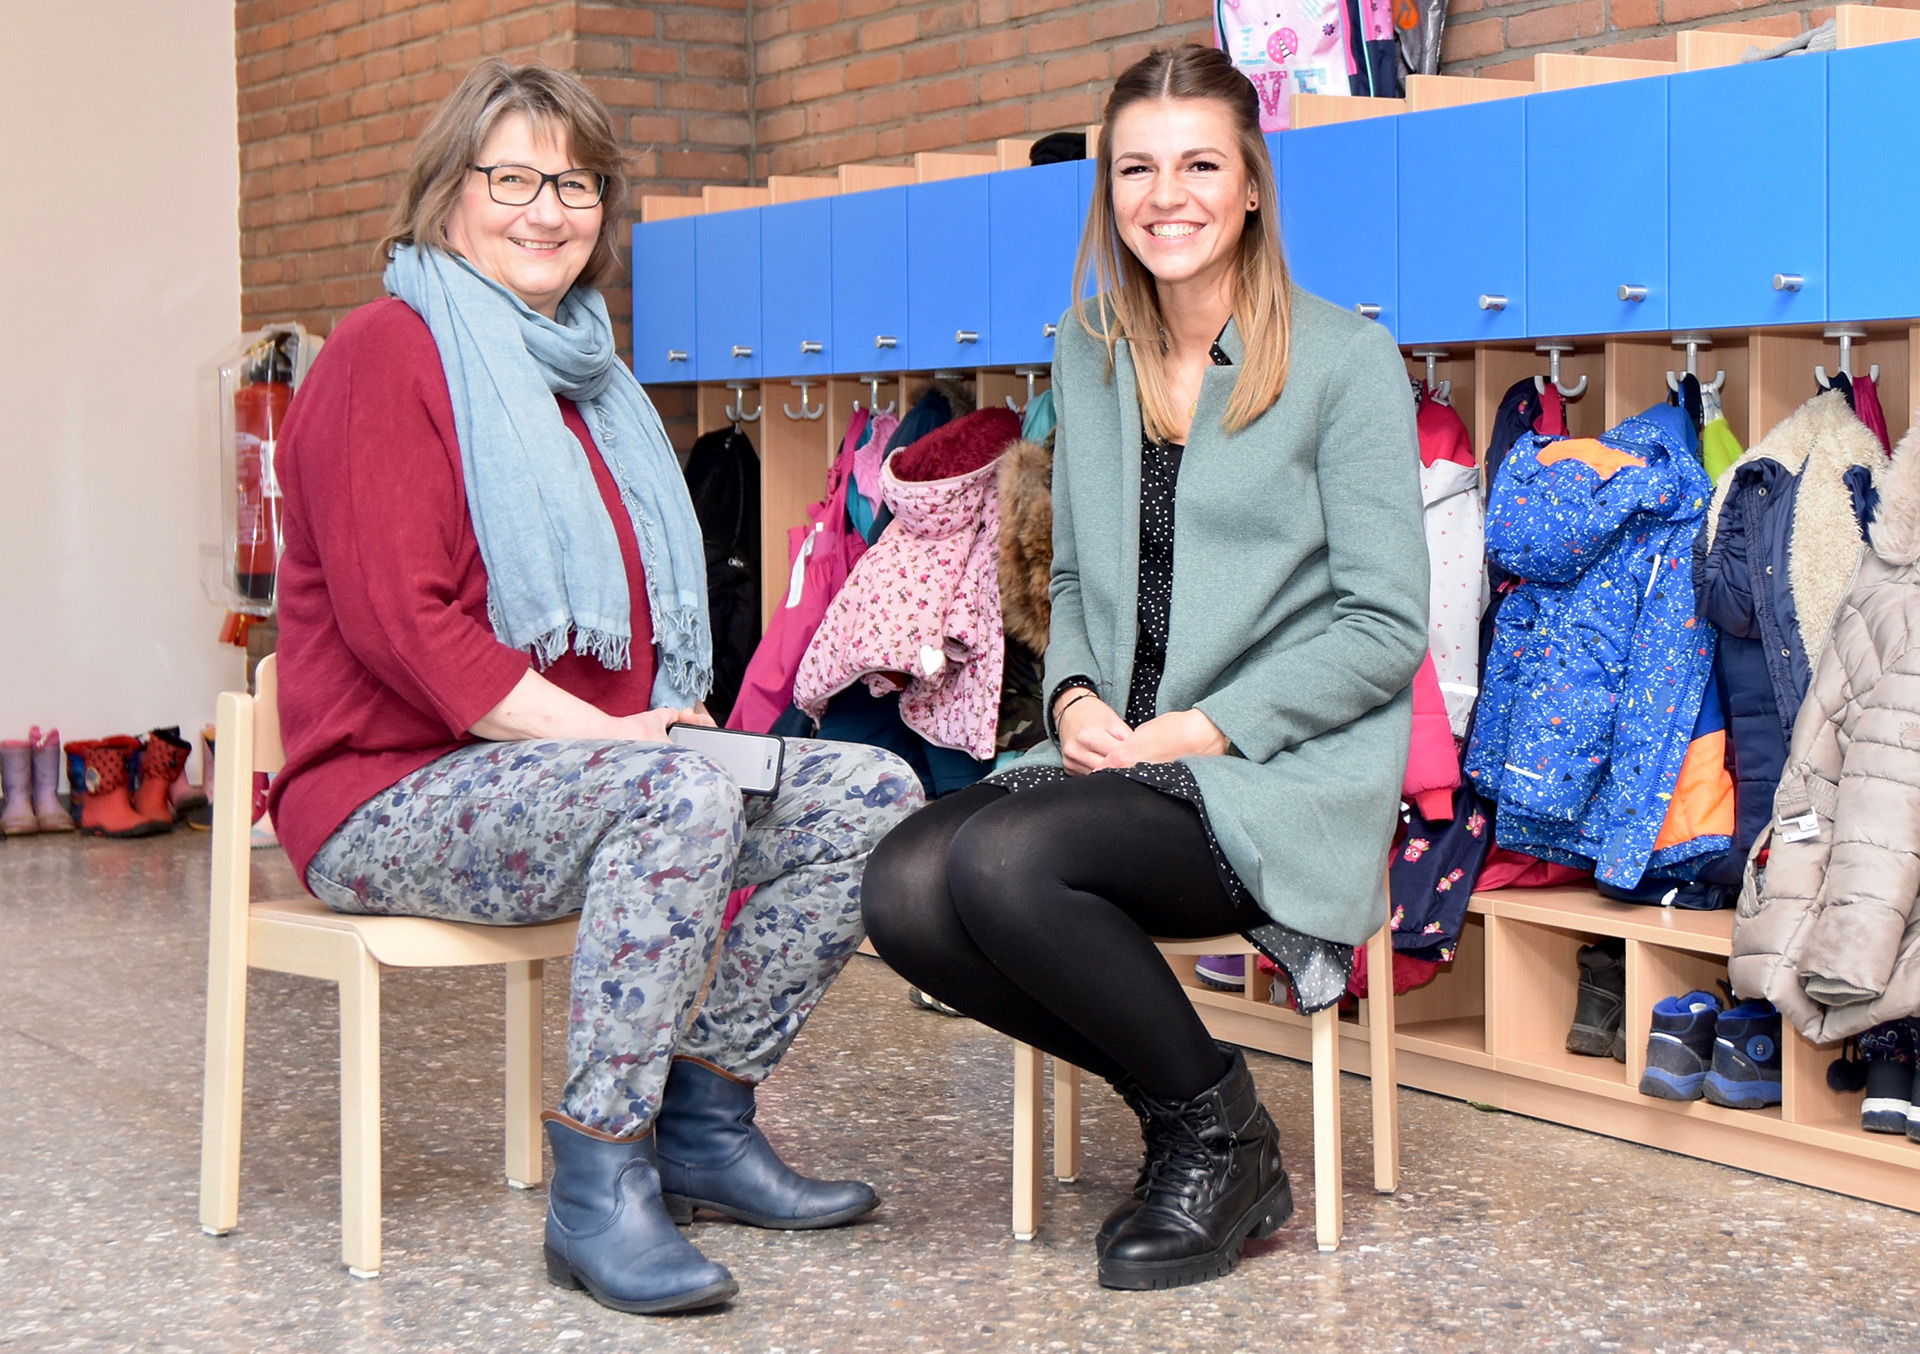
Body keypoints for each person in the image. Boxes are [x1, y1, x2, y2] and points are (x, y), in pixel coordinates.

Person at [268, 60, 922, 1316]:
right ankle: (600, 1179)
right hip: (386, 792)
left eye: (573, 182)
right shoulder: (383, 352)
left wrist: (645, 738)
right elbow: (410, 629)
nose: (544, 209)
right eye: (510, 177)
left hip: (572, 768)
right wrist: (626, 742)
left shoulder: (591, 375)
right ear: (446, 196)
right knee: (676, 793)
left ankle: (705, 1122)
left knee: (873, 792)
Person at [861, 44, 1428, 1292]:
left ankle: (1213, 1132)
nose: (1166, 195)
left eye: (1199, 164)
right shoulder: (1089, 349)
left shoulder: (1345, 363)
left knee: (1005, 862)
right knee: (902, 885)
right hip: (1114, 762)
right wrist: (1069, 695)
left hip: (1272, 776)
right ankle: (1198, 1111)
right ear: (1108, 190)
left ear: (1252, 186)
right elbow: (1067, 584)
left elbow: (1385, 626)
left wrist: (1195, 732)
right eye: (1136, 168)